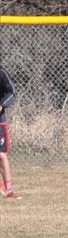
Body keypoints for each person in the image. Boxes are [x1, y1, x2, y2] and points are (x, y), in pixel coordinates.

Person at [0, 65, 22, 200]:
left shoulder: (1, 73)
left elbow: (12, 92)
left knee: (1, 155)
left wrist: (1, 105)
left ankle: (9, 190)